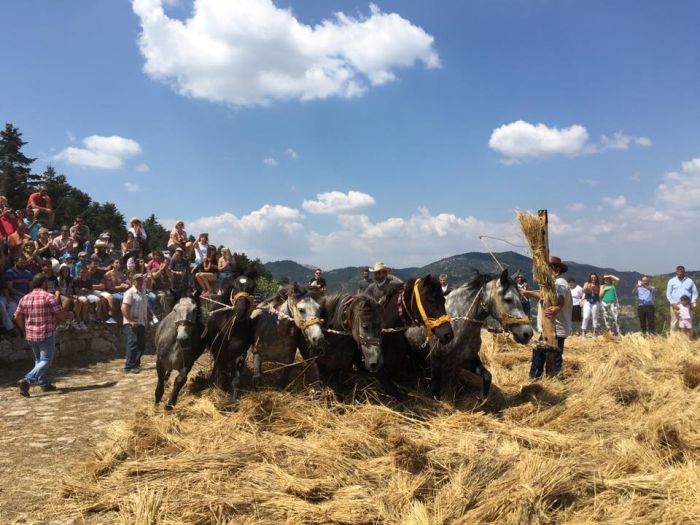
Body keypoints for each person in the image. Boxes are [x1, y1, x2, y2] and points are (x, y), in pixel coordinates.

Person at [15, 273, 74, 397]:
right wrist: (69, 315)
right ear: (43, 284)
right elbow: (60, 315)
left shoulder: (25, 298)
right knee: (46, 360)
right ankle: (27, 380)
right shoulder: (48, 297)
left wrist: (23, 330)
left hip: (31, 334)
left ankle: (44, 383)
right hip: (45, 333)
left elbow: (17, 316)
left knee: (39, 360)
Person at [521, 256, 572, 379]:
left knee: (548, 354)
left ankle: (541, 378)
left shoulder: (560, 283)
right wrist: (529, 292)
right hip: (549, 327)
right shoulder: (551, 284)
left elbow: (559, 298)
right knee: (545, 353)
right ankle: (543, 378)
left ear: (555, 270)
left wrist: (558, 307)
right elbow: (544, 295)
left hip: (555, 328)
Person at [121, 273, 148, 373]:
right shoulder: (130, 292)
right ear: (133, 281)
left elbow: (145, 307)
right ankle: (129, 366)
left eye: (142, 280)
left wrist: (147, 320)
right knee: (133, 343)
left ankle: (136, 364)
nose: (140, 281)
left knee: (141, 344)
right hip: (131, 322)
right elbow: (124, 308)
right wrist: (131, 321)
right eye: (138, 280)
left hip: (141, 322)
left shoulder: (143, 292)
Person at [666, 266, 698, 331]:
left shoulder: (689, 281)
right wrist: (672, 303)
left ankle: (687, 339)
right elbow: (668, 293)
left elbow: (695, 292)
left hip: (687, 305)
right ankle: (673, 339)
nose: (679, 273)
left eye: (681, 272)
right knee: (674, 322)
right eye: (678, 272)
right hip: (675, 305)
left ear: (684, 272)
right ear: (676, 272)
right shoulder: (671, 281)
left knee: (687, 322)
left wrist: (693, 302)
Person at [581, 273, 601, 337]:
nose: (593, 278)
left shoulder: (598, 285)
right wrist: (587, 287)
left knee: (594, 317)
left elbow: (599, 294)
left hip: (595, 301)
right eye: (592, 277)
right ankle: (583, 332)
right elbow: (583, 290)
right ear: (590, 278)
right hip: (588, 301)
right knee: (586, 316)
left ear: (596, 278)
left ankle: (594, 332)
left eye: (594, 277)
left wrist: (595, 290)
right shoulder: (586, 283)